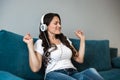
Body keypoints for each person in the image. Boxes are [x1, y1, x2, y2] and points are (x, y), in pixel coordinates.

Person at [23, 13, 104, 80]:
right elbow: (35, 68)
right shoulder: (40, 42)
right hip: (54, 74)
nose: (59, 25)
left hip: (73, 72)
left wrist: (82, 39)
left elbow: (79, 59)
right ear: (45, 26)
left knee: (91, 72)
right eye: (55, 23)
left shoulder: (65, 40)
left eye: (59, 23)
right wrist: (30, 45)